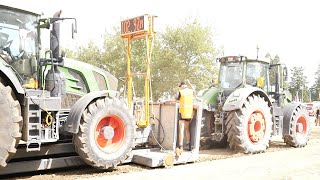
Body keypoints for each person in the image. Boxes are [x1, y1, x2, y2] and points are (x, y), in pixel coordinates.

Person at [169, 80, 194, 152]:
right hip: (189, 113)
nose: (180, 88)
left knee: (181, 130)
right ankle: (189, 146)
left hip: (182, 113)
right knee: (187, 129)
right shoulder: (191, 91)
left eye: (180, 86)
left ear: (182, 85)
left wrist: (167, 101)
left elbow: (175, 100)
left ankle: (181, 147)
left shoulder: (181, 92)